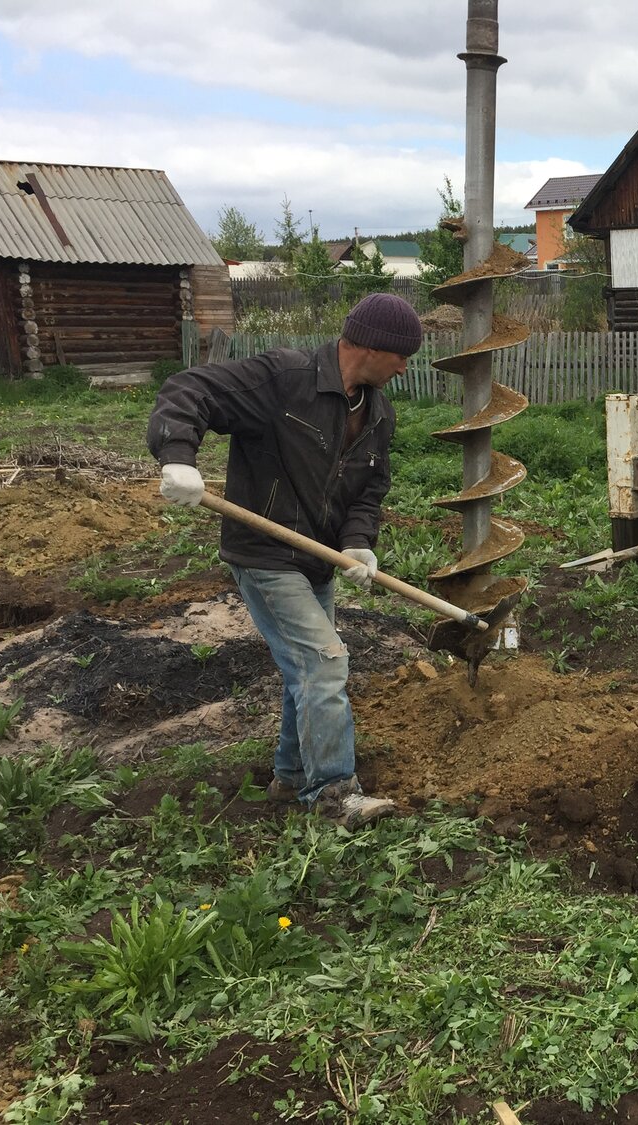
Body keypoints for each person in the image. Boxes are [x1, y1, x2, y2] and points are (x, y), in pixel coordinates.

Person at [147, 292, 422, 828]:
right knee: (325, 661)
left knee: (306, 669)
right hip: (266, 553)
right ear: (371, 346)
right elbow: (189, 389)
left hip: (316, 560)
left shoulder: (376, 413)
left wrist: (357, 542)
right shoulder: (283, 379)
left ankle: (292, 776)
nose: (405, 366)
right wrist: (178, 457)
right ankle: (334, 794)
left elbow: (369, 490)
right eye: (401, 355)